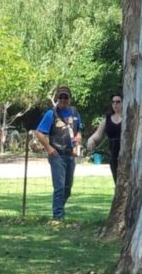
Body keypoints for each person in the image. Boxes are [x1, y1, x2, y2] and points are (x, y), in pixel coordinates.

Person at [35, 85, 83, 222]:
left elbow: (79, 128)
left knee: (68, 188)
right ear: (57, 98)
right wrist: (49, 148)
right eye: (60, 97)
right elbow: (39, 133)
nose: (63, 99)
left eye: (65, 97)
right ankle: (58, 217)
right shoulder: (51, 114)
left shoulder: (75, 112)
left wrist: (79, 136)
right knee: (59, 187)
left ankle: (59, 210)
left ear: (70, 99)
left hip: (71, 154)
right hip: (57, 155)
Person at [86, 93, 122, 181]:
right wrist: (91, 139)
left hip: (128, 155)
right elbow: (98, 135)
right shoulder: (107, 120)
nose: (115, 104)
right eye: (113, 102)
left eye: (118, 102)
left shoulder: (129, 118)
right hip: (113, 157)